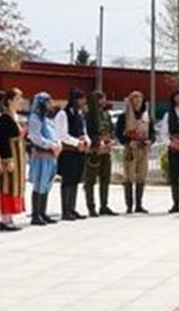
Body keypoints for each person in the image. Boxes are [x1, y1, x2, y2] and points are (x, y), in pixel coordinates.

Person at [53, 88, 91, 221]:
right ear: (74, 99)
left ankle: (72, 208)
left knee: (75, 180)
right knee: (67, 181)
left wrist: (87, 142)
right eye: (80, 99)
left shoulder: (79, 114)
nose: (83, 101)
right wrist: (76, 143)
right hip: (68, 152)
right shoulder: (63, 114)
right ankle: (65, 210)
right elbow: (61, 134)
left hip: (79, 153)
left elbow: (84, 131)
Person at [26, 92, 62, 226]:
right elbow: (36, 137)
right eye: (47, 102)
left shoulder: (46, 118)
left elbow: (54, 133)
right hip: (41, 156)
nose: (50, 104)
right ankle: (36, 214)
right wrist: (51, 145)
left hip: (51, 155)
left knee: (47, 184)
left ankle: (43, 212)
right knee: (39, 184)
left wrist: (58, 143)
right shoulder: (35, 118)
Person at [116, 90, 152, 214]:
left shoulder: (146, 116)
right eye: (135, 100)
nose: (137, 103)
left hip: (143, 150)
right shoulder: (123, 116)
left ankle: (139, 205)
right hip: (130, 150)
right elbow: (118, 134)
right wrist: (128, 141)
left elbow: (152, 133)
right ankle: (129, 205)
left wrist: (150, 141)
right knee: (128, 176)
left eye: (140, 100)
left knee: (142, 177)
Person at [83, 90, 118, 218]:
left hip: (106, 152)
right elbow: (87, 132)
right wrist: (98, 143)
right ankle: (91, 207)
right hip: (94, 152)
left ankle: (104, 205)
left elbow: (111, 130)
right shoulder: (88, 115)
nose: (102, 102)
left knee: (105, 179)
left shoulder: (106, 114)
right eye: (100, 99)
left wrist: (111, 140)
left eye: (103, 99)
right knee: (90, 181)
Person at [0, 88, 27, 231]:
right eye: (17, 99)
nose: (20, 101)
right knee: (8, 185)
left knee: (16, 185)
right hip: (11, 154)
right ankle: (5, 217)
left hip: (19, 154)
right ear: (9, 101)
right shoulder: (4, 118)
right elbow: (3, 140)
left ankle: (10, 217)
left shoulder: (17, 117)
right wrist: (7, 159)